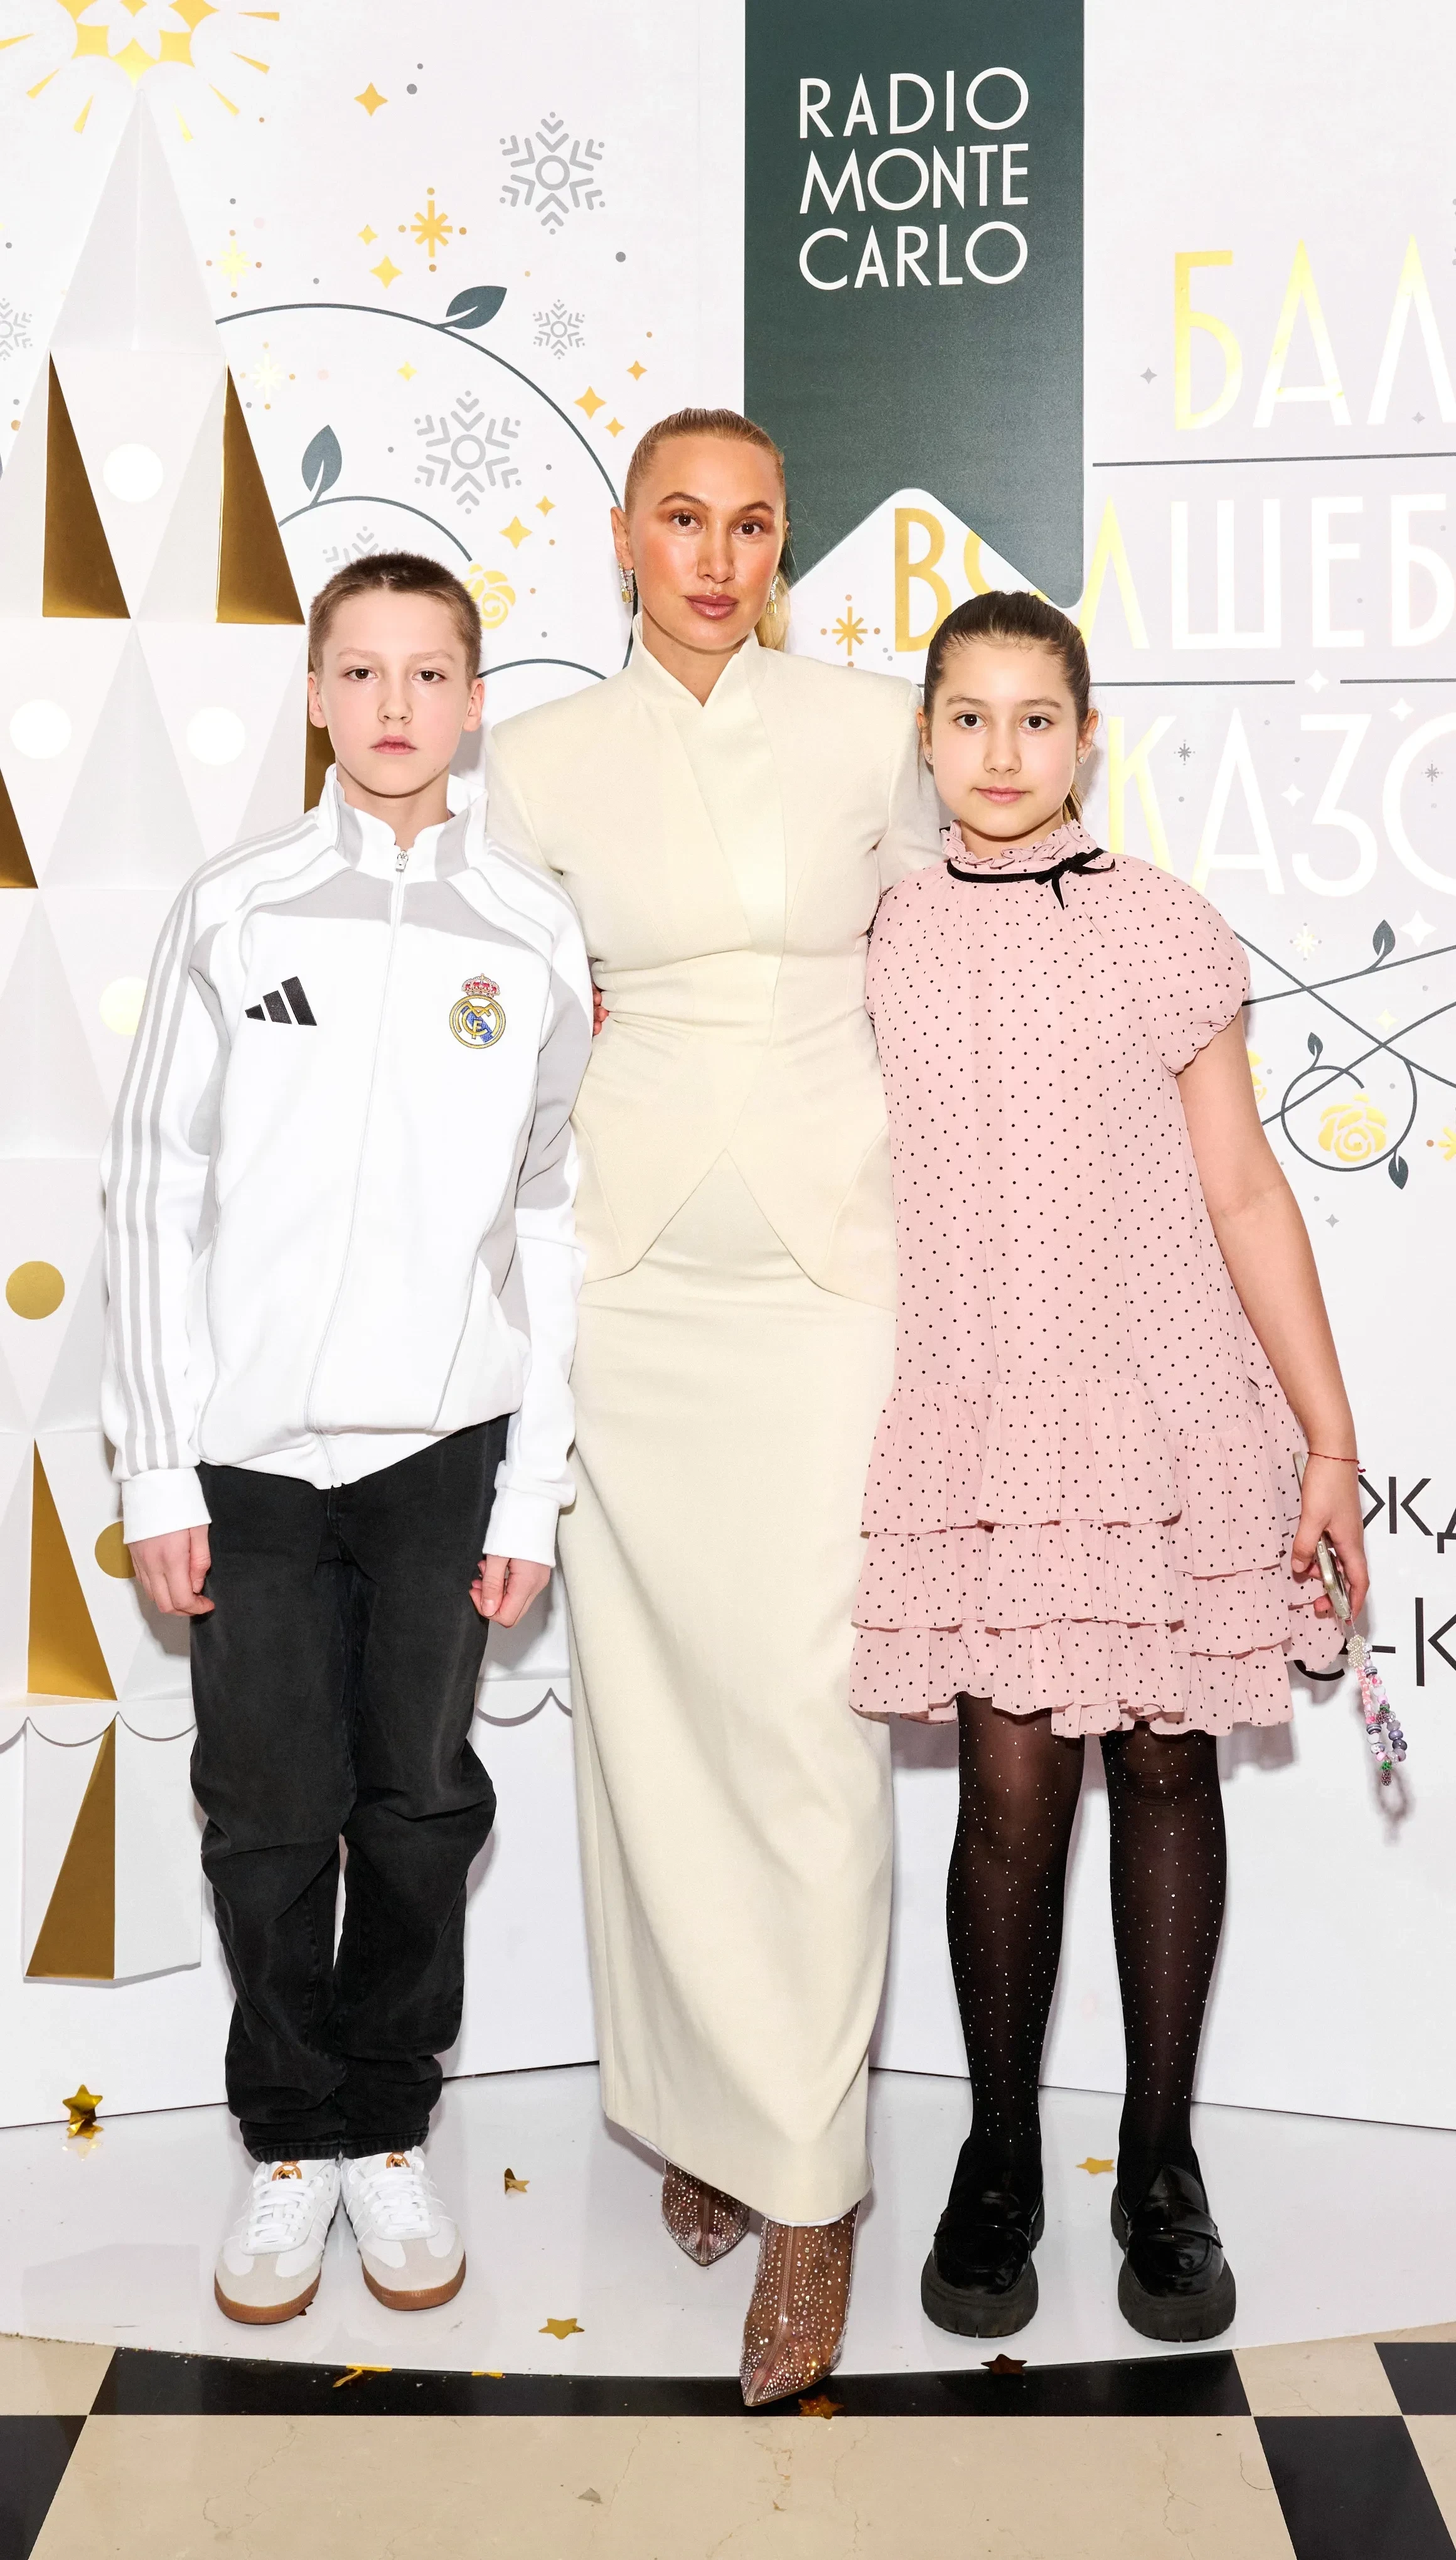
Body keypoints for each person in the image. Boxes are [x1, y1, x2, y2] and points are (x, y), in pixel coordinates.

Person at [483, 408, 942, 2403]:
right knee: (653, 1719)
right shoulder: (536, 758)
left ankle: (811, 2185)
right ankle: (698, 2108)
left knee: (811, 1723)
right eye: (682, 517)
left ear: (781, 549)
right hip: (630, 1277)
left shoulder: (869, 730)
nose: (717, 554)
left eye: (752, 524)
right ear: (624, 537)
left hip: (833, 1268)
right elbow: (500, 1032)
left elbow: (955, 963)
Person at [854, 589, 1368, 2346]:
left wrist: (1329, 1435)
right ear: (926, 738)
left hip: (1164, 1414)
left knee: (1164, 1768)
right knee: (1006, 1794)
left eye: (1037, 719)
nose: (1003, 752)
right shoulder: (876, 931)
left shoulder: (1162, 927)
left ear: (1088, 738)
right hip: (984, 1420)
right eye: (969, 717)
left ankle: (1161, 2161)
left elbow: (1243, 1190)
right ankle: (998, 2154)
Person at [102, 552, 591, 2325]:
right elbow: (152, 1192)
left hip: (443, 1448)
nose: (395, 704)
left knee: (418, 1803)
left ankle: (387, 2123)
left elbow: (552, 1216)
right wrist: (159, 1462)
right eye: (362, 671)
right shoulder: (234, 907)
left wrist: (530, 1483)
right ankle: (288, 2138)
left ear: (474, 701)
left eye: (430, 673)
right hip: (247, 1457)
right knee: (265, 1807)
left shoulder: (530, 930)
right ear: (314, 695)